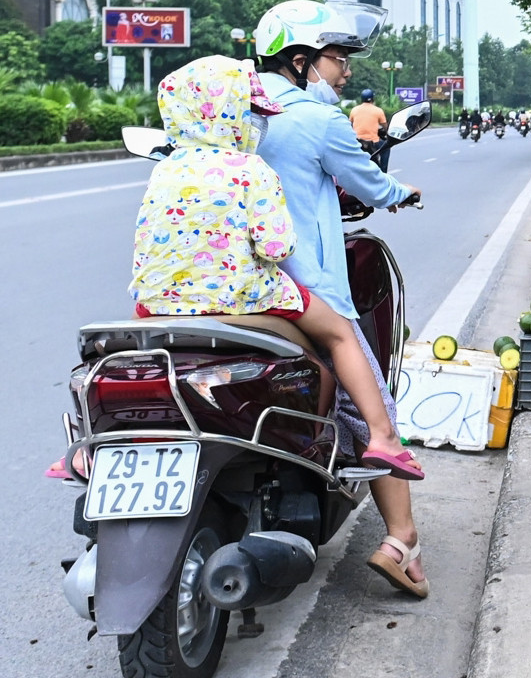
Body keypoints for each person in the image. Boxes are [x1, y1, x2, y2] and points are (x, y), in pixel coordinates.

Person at [126, 54, 419, 486]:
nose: (258, 124)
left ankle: (88, 449)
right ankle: (383, 437)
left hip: (158, 302)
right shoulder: (252, 168)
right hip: (245, 293)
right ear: (231, 118)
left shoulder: (165, 169)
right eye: (251, 115)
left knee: (127, 357)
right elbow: (277, 245)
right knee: (338, 333)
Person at [253, 0, 428, 597]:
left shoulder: (235, 120)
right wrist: (402, 192)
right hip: (304, 289)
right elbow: (367, 183)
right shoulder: (317, 121)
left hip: (224, 292)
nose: (345, 71)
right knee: (368, 403)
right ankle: (401, 541)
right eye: (336, 59)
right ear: (301, 62)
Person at [349, 88, 389, 173]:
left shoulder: (354, 110)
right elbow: (386, 127)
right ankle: (384, 172)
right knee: (386, 148)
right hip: (373, 142)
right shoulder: (378, 110)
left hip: (357, 142)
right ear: (373, 99)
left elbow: (350, 125)